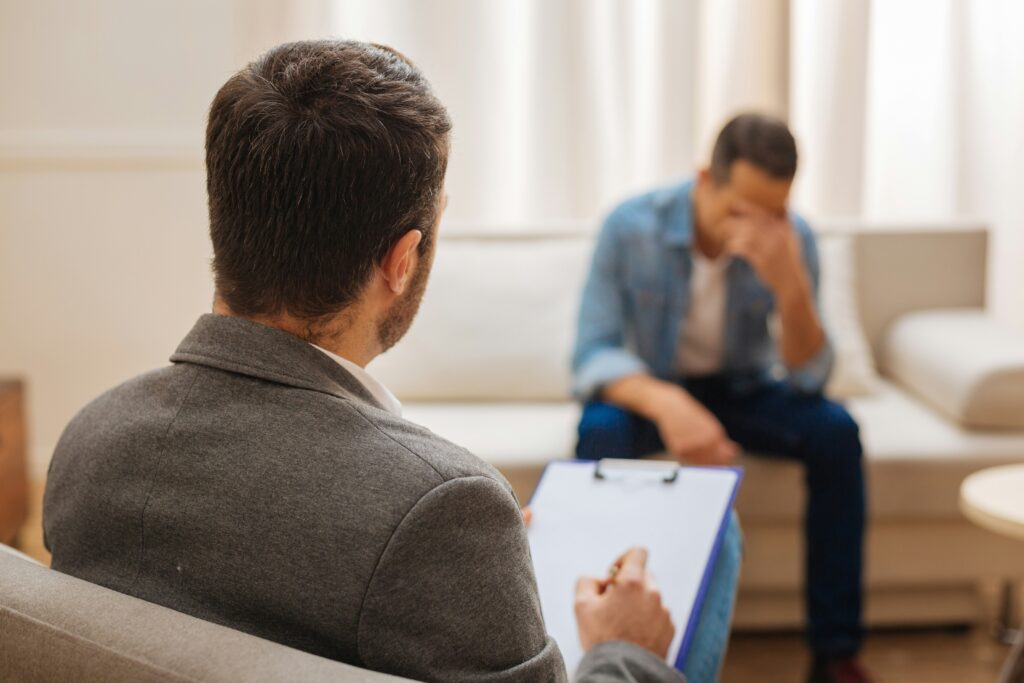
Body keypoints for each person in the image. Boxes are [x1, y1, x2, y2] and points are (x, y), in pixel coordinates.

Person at [43, 40, 718, 683]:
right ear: (401, 260)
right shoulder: (444, 504)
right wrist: (626, 651)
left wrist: (479, 575)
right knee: (720, 546)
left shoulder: (90, 439)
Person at [572, 113, 873, 683]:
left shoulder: (794, 240)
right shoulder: (630, 225)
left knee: (836, 432)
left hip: (742, 389)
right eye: (740, 210)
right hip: (652, 387)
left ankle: (836, 653)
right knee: (600, 431)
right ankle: (589, 631)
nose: (755, 228)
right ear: (706, 178)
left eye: (774, 213)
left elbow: (811, 377)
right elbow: (593, 354)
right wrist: (670, 405)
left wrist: (789, 283)